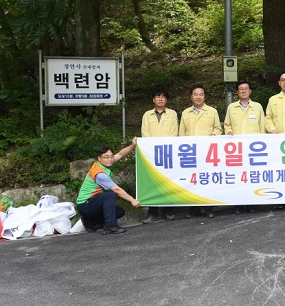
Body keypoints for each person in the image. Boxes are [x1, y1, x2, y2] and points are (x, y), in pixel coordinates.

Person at [76, 138, 141, 234]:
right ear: (99, 158)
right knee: (110, 194)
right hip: (85, 205)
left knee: (119, 212)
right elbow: (117, 190)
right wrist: (132, 200)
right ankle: (111, 226)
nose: (110, 159)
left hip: (94, 202)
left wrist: (132, 145)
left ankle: (92, 221)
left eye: (111, 156)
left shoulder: (104, 163)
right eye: (106, 157)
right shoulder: (100, 174)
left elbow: (120, 154)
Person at [180, 84, 222, 218]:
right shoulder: (186, 113)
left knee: (207, 179)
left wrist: (214, 135)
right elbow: (181, 133)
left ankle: (209, 208)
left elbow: (218, 129)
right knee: (192, 180)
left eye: (201, 94)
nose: (198, 97)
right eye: (195, 94)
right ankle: (193, 208)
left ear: (205, 96)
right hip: (191, 153)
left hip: (208, 152)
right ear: (191, 97)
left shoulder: (212, 111)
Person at [224, 79, 265, 215]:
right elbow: (227, 125)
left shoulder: (257, 107)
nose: (243, 91)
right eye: (241, 89)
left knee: (252, 177)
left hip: (254, 150)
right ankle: (238, 204)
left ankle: (252, 203)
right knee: (238, 177)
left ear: (250, 91)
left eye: (246, 89)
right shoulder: (231, 107)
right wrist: (228, 131)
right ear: (237, 92)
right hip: (236, 150)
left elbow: (262, 127)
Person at [141, 87, 178, 224]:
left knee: (167, 182)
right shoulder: (147, 115)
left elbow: (175, 132)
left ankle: (168, 211)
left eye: (163, 97)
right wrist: (151, 147)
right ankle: (153, 212)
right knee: (153, 182)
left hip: (168, 152)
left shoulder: (172, 114)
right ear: (153, 100)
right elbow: (145, 133)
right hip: (152, 153)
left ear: (166, 100)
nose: (160, 99)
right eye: (157, 97)